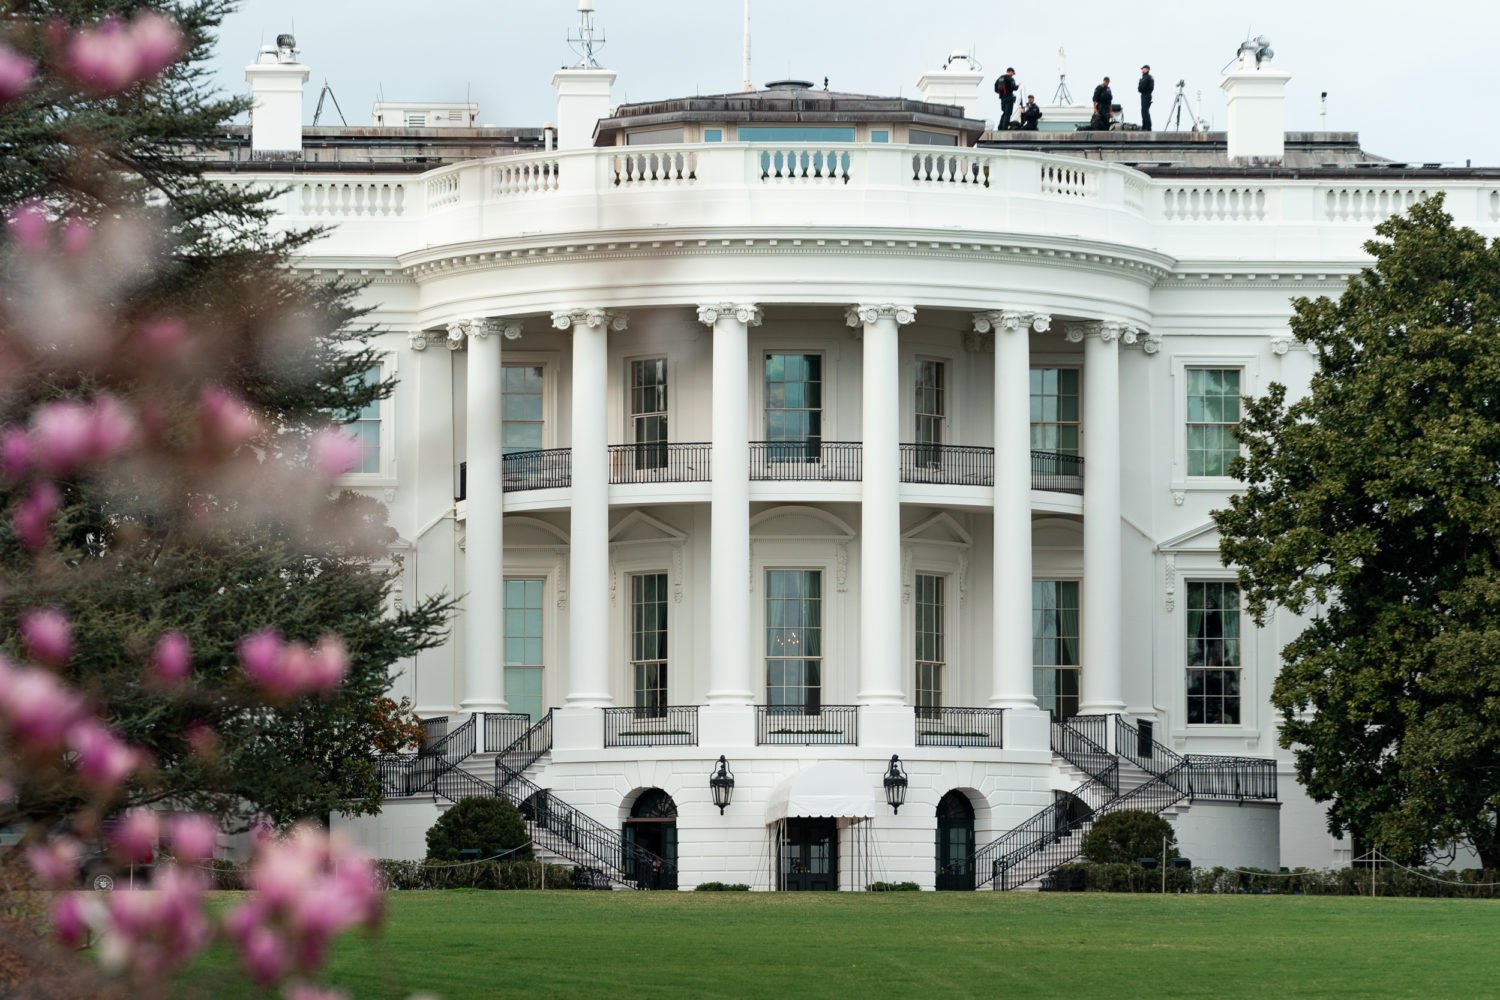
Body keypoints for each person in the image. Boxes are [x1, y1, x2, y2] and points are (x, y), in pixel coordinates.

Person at [1139, 65, 1155, 131]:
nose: (1142, 70)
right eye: (1142, 69)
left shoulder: (1149, 77)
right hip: (1143, 95)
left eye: (1143, 69)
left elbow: (1150, 87)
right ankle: (1144, 126)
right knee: (1143, 111)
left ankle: (1148, 127)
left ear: (1147, 69)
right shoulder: (1143, 78)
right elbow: (1139, 88)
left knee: (1145, 111)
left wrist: (1144, 89)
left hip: (1147, 95)